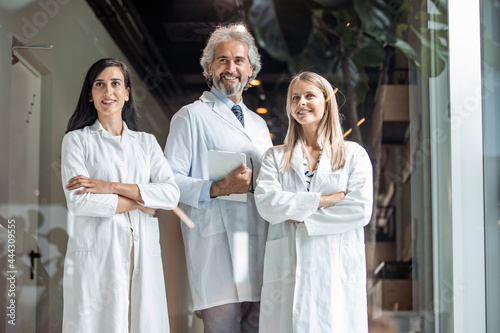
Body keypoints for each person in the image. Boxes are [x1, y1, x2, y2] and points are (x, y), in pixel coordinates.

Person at [165, 24, 272, 332]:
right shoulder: (190, 117)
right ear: (209, 67)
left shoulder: (259, 125)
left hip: (258, 246)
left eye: (239, 60)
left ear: (251, 69)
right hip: (217, 252)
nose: (231, 68)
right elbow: (168, 183)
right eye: (222, 60)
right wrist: (217, 187)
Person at [61, 58, 180, 333]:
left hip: (142, 252)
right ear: (90, 95)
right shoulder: (76, 140)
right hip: (98, 255)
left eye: (115, 84)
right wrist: (141, 204)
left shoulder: (146, 143)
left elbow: (170, 194)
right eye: (99, 85)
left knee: (142, 321)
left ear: (127, 93)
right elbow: (79, 201)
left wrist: (109, 186)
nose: (108, 92)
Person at [254, 71, 373, 332]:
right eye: (295, 98)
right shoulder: (276, 157)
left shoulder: (353, 155)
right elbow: (266, 203)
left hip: (334, 275)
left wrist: (297, 213)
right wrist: (326, 200)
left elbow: (359, 210)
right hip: (288, 275)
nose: (301, 103)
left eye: (309, 96)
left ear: (326, 102)